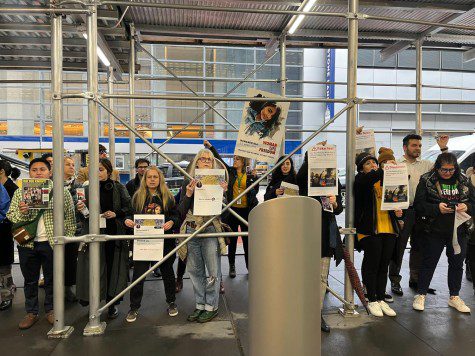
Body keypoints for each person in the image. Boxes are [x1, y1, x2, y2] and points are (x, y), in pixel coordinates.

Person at [7, 158, 76, 330]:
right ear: (29, 172)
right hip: (27, 244)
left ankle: (51, 310)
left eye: (42, 169)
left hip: (51, 242)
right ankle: (31, 312)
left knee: (52, 279)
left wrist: (65, 239)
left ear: (50, 172)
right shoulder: (20, 193)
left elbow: (70, 218)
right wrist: (24, 212)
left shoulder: (61, 192)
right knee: (30, 280)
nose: (38, 172)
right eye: (34, 169)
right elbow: (11, 216)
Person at [412, 152, 474, 313]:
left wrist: (466, 207)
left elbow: (473, 202)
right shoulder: (427, 180)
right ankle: (421, 294)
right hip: (433, 229)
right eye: (444, 170)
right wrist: (436, 208)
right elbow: (418, 205)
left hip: (459, 230)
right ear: (437, 168)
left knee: (456, 264)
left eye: (451, 170)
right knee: (428, 263)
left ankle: (454, 296)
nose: (448, 173)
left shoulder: (463, 180)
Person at [389, 134, 448, 296]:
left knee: (419, 247)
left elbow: (445, 166)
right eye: (414, 145)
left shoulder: (426, 165)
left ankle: (415, 280)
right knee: (398, 247)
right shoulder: (395, 164)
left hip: (421, 211)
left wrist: (443, 148)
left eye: (420, 146)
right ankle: (394, 281)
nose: (418, 148)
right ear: (405, 147)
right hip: (401, 211)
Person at [76, 158, 133, 319]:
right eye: (94, 170)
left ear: (108, 171)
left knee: (113, 270)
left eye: (101, 169)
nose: (97, 173)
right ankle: (92, 301)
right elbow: (81, 215)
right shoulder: (84, 189)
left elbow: (129, 208)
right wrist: (80, 209)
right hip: (93, 235)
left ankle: (111, 304)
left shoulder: (119, 187)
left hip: (113, 236)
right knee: (92, 269)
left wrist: (116, 213)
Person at [178, 148, 228, 323]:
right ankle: (200, 305)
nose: (206, 161)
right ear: (197, 162)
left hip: (210, 228)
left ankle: (211, 307)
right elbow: (181, 212)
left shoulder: (220, 183)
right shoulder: (188, 181)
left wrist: (224, 194)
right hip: (192, 229)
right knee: (195, 271)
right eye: (203, 159)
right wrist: (188, 194)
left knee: (213, 271)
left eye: (209, 159)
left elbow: (226, 213)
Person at [124, 166, 180, 322]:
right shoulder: (137, 197)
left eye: (155, 177)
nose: (153, 179)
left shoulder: (168, 196)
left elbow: (176, 216)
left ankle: (172, 302)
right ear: (145, 179)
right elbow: (129, 213)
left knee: (168, 273)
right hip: (143, 242)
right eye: (149, 177)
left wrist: (171, 222)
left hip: (164, 242)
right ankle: (134, 307)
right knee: (138, 276)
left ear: (160, 178)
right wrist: (127, 220)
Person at [296, 146, 344, 333]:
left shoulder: (333, 179)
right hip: (304, 231)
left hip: (325, 232)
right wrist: (312, 158)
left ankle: (316, 314)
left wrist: (335, 202)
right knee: (303, 275)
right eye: (315, 158)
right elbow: (298, 181)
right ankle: (301, 311)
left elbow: (339, 209)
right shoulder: (302, 178)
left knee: (321, 277)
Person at [354, 149, 402, 317]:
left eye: (374, 162)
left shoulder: (385, 180)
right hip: (368, 229)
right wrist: (386, 168)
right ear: (361, 169)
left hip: (388, 227)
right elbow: (369, 180)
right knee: (372, 264)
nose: (373, 165)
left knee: (384, 264)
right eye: (368, 163)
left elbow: (396, 199)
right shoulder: (360, 180)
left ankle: (381, 298)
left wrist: (397, 212)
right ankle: (371, 298)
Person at [204, 140, 258, 278]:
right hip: (233, 210)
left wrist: (255, 178)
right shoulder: (231, 172)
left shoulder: (250, 174)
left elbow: (255, 191)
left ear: (243, 161)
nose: (235, 161)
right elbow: (220, 161)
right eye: (234, 158)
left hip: (247, 211)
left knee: (247, 241)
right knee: (232, 240)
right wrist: (211, 147)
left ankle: (249, 267)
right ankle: (232, 266)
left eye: (237, 159)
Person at [63, 156, 83, 302]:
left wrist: (82, 208)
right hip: (55, 229)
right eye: (68, 164)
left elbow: (84, 205)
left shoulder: (79, 185)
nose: (72, 167)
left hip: (75, 227)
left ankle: (69, 288)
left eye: (73, 165)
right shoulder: (51, 184)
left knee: (71, 260)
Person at [0, 160, 18, 311]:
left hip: (4, 231)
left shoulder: (10, 189)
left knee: (4, 267)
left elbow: (6, 210)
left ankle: (6, 296)